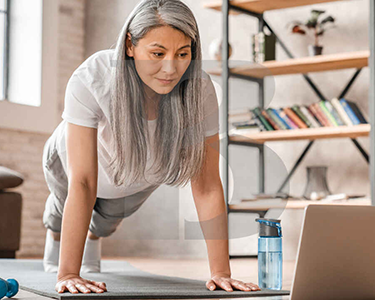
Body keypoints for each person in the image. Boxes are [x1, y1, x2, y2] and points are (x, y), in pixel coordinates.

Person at [41, 0, 261, 295]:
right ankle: (56, 236)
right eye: (157, 53)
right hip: (71, 158)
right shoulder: (93, 76)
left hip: (136, 169)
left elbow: (207, 184)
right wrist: (69, 273)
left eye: (183, 54)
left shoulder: (200, 90)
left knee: (105, 221)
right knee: (62, 201)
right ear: (130, 45)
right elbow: (82, 182)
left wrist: (221, 272)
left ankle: (95, 235)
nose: (171, 68)